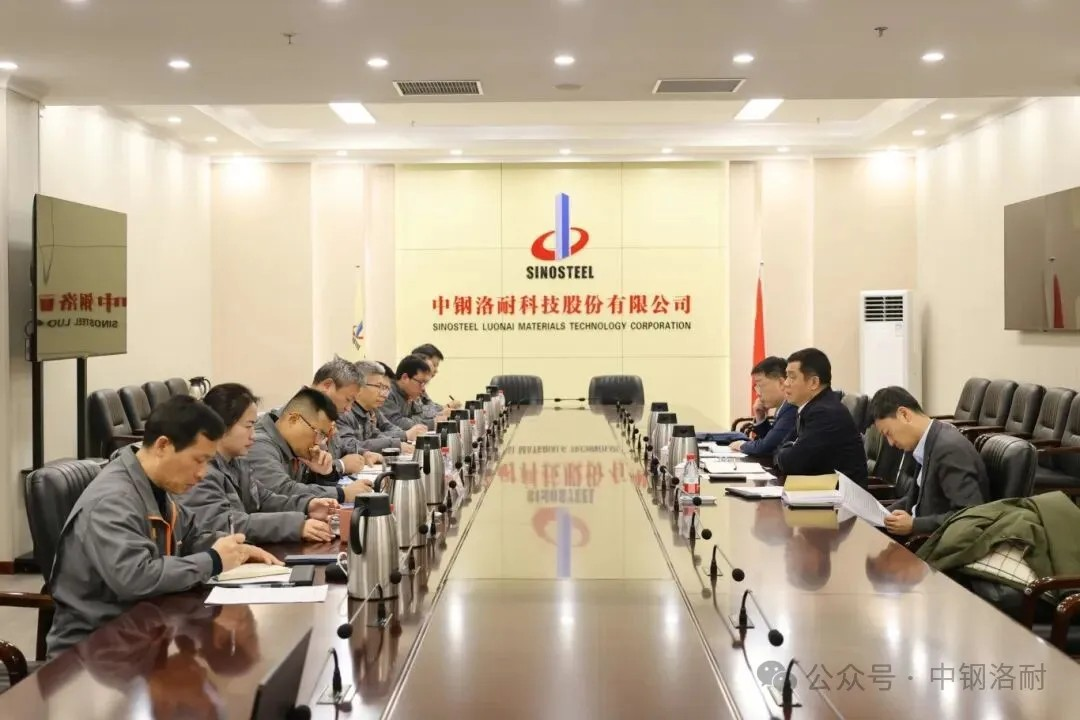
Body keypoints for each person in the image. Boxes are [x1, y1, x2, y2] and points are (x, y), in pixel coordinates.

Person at [46, 396, 281, 656]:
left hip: (144, 633)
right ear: (163, 446)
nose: (202, 473)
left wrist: (237, 551)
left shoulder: (155, 485)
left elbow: (190, 535)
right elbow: (135, 578)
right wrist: (214, 560)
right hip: (93, 653)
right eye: (198, 460)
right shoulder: (113, 500)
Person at [177, 383, 338, 544]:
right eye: (248, 426)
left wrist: (307, 506)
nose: (253, 435)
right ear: (221, 425)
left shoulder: (236, 462)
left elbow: (264, 500)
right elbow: (225, 524)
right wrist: (295, 525)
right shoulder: (201, 471)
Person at [868, 386, 989, 536]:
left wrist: (914, 525)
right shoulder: (928, 440)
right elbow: (918, 498)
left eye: (888, 433)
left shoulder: (949, 449)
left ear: (904, 415)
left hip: (937, 542)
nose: (891, 442)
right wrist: (882, 513)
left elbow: (969, 515)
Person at [248, 387, 373, 503]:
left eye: (323, 436)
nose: (318, 443)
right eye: (318, 433)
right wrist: (341, 494)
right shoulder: (258, 444)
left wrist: (324, 474)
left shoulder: (293, 445)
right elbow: (281, 491)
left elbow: (306, 488)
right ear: (294, 419)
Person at [773, 348, 869, 486]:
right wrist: (788, 450)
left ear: (814, 382)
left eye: (792, 377)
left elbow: (792, 463)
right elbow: (779, 449)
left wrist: (788, 450)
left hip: (838, 496)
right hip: (820, 488)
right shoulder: (811, 408)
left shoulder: (825, 413)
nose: (786, 383)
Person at [308, 357, 381, 473]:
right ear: (327, 386)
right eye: (348, 399)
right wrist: (341, 465)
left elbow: (339, 447)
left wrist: (363, 453)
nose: (348, 409)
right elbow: (303, 474)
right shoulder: (296, 419)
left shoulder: (325, 416)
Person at [337, 360, 427, 455]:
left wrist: (398, 443)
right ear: (360, 386)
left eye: (386, 388)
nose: (384, 394)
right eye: (379, 386)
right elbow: (350, 445)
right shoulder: (343, 410)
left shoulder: (369, 411)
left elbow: (376, 435)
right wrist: (398, 442)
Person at [730, 356, 796, 456]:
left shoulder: (792, 407)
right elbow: (771, 441)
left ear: (781, 383)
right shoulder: (782, 407)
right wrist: (760, 417)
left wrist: (741, 445)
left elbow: (765, 447)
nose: (758, 393)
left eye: (760, 385)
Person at [383, 354, 449, 431]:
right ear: (405, 378)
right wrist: (432, 423)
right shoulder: (387, 392)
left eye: (425, 383)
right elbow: (396, 422)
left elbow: (421, 414)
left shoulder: (408, 393)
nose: (423, 388)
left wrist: (411, 419)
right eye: (421, 382)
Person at [411, 343, 462, 414]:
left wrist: (446, 407)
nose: (436, 370)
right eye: (434, 365)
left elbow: (430, 406)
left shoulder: (421, 385)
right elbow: (420, 413)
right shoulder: (410, 385)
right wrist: (445, 409)